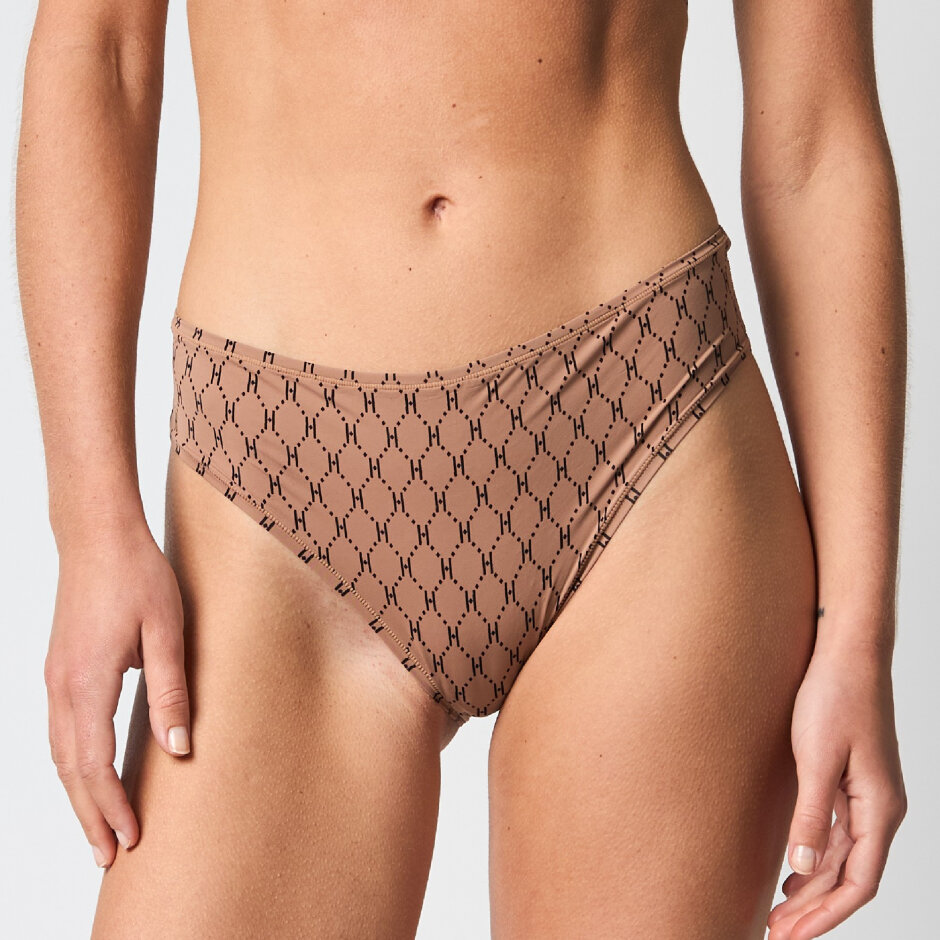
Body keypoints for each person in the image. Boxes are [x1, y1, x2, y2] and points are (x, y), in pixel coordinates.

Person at [15, 1, 907, 937]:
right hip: (271, 493)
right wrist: (92, 526)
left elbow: (817, 137)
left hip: (649, 435)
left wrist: (858, 630)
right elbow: (98, 46)